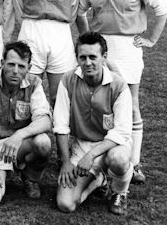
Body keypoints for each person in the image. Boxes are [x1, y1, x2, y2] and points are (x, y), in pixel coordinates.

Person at [76, 0, 167, 184]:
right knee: (100, 105)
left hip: (128, 49)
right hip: (100, 52)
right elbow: (79, 12)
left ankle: (134, 162)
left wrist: (151, 39)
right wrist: (89, 41)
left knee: (131, 105)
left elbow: (163, 8)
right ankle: (102, 161)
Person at [54, 32, 134, 215]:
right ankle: (98, 181)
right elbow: (60, 124)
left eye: (93, 57)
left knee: (119, 160)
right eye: (83, 57)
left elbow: (121, 132)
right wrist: (66, 162)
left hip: (112, 145)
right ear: (77, 58)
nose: (88, 62)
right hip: (82, 146)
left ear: (104, 57)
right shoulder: (67, 80)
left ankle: (119, 192)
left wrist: (91, 156)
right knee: (66, 204)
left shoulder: (119, 85)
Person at [0, 41, 52, 206]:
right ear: (2, 63)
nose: (15, 71)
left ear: (29, 67)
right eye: (11, 64)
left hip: (17, 146)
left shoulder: (34, 83)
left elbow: (45, 120)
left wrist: (19, 135)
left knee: (43, 142)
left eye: (21, 66)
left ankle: (30, 177)